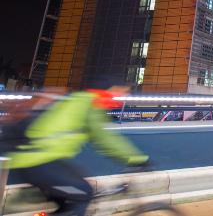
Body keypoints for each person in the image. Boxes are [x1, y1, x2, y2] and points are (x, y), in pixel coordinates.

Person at [4, 86, 149, 215]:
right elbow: (104, 137)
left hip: (40, 160)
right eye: (122, 91)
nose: (124, 96)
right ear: (110, 88)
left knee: (75, 194)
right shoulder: (91, 103)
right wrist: (136, 159)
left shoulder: (78, 100)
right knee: (84, 193)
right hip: (38, 161)